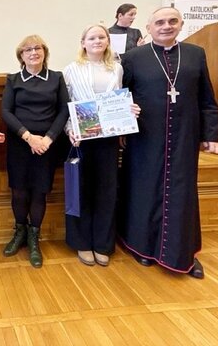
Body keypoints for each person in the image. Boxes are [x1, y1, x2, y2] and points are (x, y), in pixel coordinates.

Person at [118, 6, 218, 279]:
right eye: (160, 22)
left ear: (181, 24)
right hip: (145, 136)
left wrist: (211, 135)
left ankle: (184, 252)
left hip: (184, 136)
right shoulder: (133, 58)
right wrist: (123, 119)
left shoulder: (195, 54)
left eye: (172, 21)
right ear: (149, 28)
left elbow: (207, 98)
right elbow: (121, 96)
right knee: (143, 189)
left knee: (182, 193)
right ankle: (141, 246)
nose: (166, 26)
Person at [63, 25, 138, 267]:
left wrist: (129, 111)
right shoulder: (71, 70)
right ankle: (82, 242)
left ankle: (103, 244)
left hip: (108, 139)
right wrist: (70, 130)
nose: (97, 41)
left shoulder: (116, 68)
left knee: (107, 191)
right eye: (92, 37)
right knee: (81, 190)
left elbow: (119, 100)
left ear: (108, 41)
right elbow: (65, 105)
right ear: (83, 42)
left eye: (101, 37)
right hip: (81, 138)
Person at [1, 35, 69, 268]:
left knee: (39, 193)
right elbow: (6, 111)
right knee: (19, 192)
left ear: (44, 52)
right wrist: (28, 137)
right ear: (21, 55)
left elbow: (64, 111)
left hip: (47, 146)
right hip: (20, 144)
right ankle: (19, 232)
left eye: (37, 48)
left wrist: (48, 138)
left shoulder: (56, 78)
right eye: (27, 49)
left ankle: (34, 238)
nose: (33, 52)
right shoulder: (13, 79)